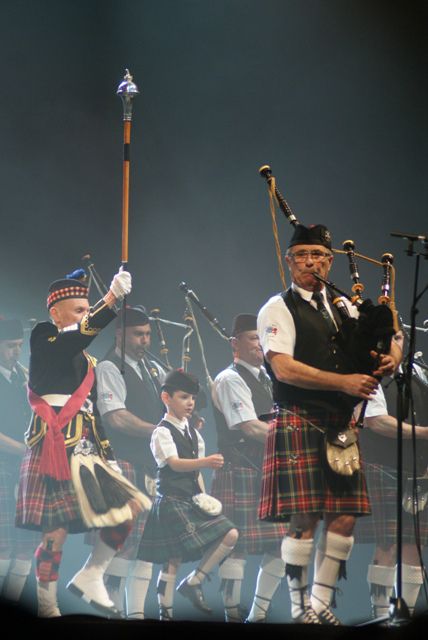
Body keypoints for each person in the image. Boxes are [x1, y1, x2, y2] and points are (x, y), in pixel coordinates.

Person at [257, 223, 402, 625]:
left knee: (344, 515)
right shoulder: (277, 307)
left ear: (330, 260)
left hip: (340, 423)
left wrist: (389, 357)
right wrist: (342, 381)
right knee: (306, 515)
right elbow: (283, 369)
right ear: (289, 261)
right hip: (299, 417)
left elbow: (379, 343)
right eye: (302, 255)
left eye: (318, 255)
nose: (311, 262)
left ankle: (321, 604)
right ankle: (299, 608)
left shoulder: (345, 307)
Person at [14, 266, 143, 618]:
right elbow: (76, 337)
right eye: (79, 310)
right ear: (55, 313)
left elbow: (94, 414)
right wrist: (111, 300)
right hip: (53, 444)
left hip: (87, 446)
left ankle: (91, 574)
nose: (85, 316)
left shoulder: (89, 361)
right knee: (54, 532)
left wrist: (110, 457)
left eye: (88, 310)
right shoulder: (44, 337)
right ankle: (47, 605)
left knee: (127, 511)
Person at [136, 369, 239, 621]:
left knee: (230, 533)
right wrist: (205, 462)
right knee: (173, 559)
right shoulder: (161, 432)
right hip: (171, 500)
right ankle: (166, 613)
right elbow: (174, 463)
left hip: (190, 500)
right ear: (166, 398)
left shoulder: (194, 434)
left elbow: (195, 474)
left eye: (192, 397)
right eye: (183, 397)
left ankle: (194, 582)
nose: (190, 403)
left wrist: (205, 499)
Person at [211, 313, 287, 622]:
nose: (261, 343)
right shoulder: (230, 378)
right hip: (239, 469)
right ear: (235, 344)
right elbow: (249, 427)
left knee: (284, 544)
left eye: (263, 337)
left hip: (267, 470)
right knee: (236, 546)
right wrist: (297, 439)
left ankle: (257, 615)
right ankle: (231, 613)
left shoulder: (267, 378)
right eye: (254, 338)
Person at [94, 305, 166, 618]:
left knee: (146, 545)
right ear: (120, 333)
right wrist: (163, 431)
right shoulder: (109, 367)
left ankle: (135, 616)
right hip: (123, 462)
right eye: (138, 334)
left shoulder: (152, 368)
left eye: (148, 334)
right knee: (122, 543)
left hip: (151, 465)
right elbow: (117, 419)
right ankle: (108, 611)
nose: (145, 340)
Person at [357, 333, 428, 619]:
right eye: (387, 338)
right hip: (382, 466)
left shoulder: (419, 374)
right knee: (386, 544)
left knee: (415, 545)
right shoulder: (369, 376)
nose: (394, 343)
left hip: (418, 470)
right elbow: (376, 421)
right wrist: (425, 435)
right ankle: (378, 616)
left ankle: (403, 619)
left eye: (398, 337)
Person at [0, 318, 39, 606]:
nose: (16, 351)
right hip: (2, 467)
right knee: (2, 549)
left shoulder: (23, 377)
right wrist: (24, 450)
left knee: (26, 548)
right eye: (10, 347)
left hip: (25, 471)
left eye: (18, 345)